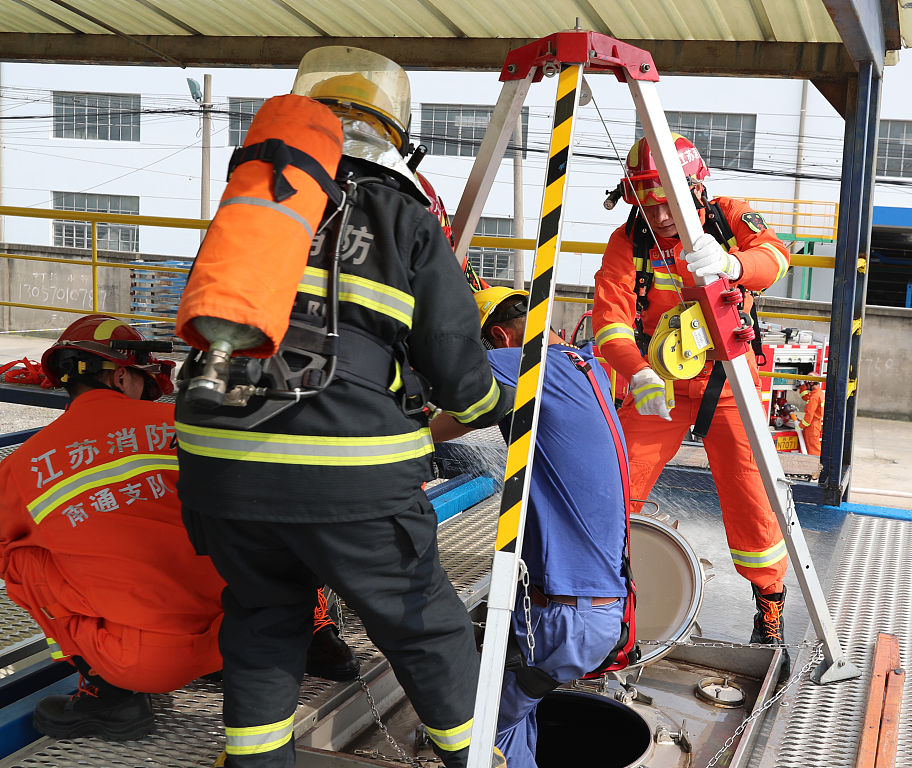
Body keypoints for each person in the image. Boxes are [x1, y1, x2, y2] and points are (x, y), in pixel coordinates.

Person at [176, 47, 510, 768]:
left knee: (265, 616)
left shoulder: (255, 207)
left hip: (217, 466)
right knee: (424, 627)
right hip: (346, 472)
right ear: (395, 135)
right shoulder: (402, 215)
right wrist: (498, 403)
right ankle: (477, 760)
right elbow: (455, 365)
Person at [0, 315, 359, 742]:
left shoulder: (23, 466)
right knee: (267, 512)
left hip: (146, 664)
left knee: (17, 556)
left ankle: (108, 694)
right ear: (121, 377)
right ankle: (318, 634)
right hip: (252, 632)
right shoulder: (194, 427)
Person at [592, 134, 793, 648]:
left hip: (730, 382)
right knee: (614, 487)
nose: (659, 216)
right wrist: (637, 373)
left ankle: (769, 603)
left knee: (751, 498)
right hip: (659, 383)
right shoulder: (628, 242)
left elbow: (775, 258)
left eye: (667, 201)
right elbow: (610, 322)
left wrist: (734, 265)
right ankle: (605, 598)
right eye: (647, 202)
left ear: (695, 189)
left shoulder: (728, 217)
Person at [431, 287, 628, 768]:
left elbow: (454, 402)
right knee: (514, 723)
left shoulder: (524, 364)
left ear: (499, 338)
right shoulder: (584, 367)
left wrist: (403, 441)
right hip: (593, 610)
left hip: (564, 618)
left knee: (475, 735)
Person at [799, 381, 825, 456]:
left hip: (811, 426)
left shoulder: (814, 397)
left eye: (807, 384)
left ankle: (815, 462)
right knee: (812, 446)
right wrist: (803, 386)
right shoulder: (819, 393)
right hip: (816, 424)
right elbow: (806, 397)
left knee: (813, 449)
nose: (807, 387)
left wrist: (800, 426)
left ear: (811, 384)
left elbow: (809, 415)